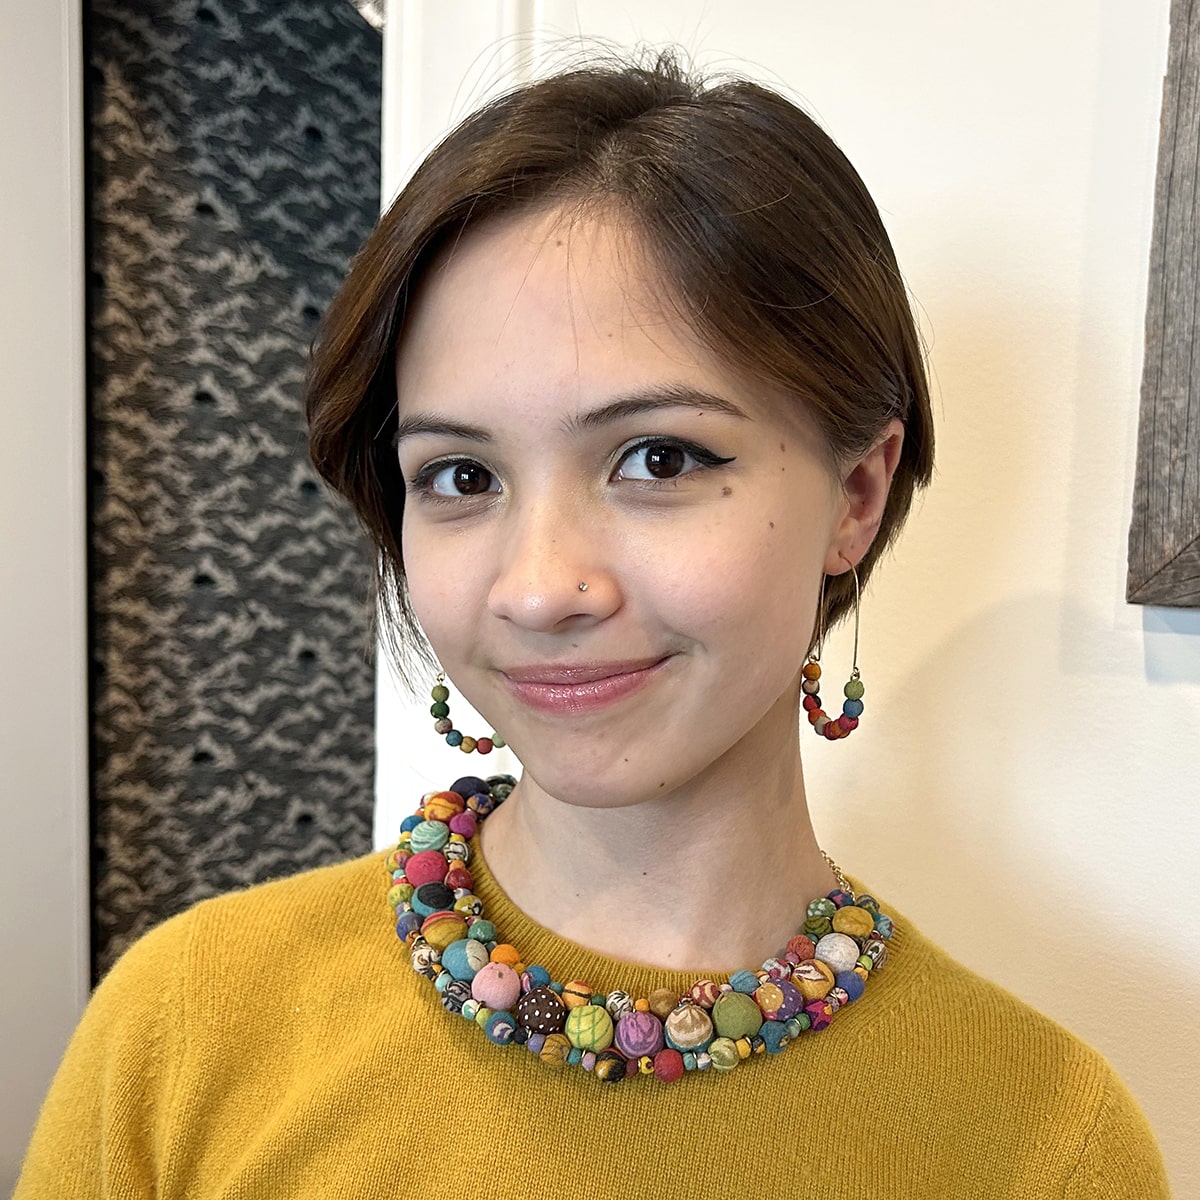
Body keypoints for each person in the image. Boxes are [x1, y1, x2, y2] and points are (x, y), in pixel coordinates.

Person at [17, 52, 1168, 1198]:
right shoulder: (184, 1031)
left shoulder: (1042, 1141)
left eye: (657, 458)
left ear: (855, 496)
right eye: (460, 477)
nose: (538, 587)